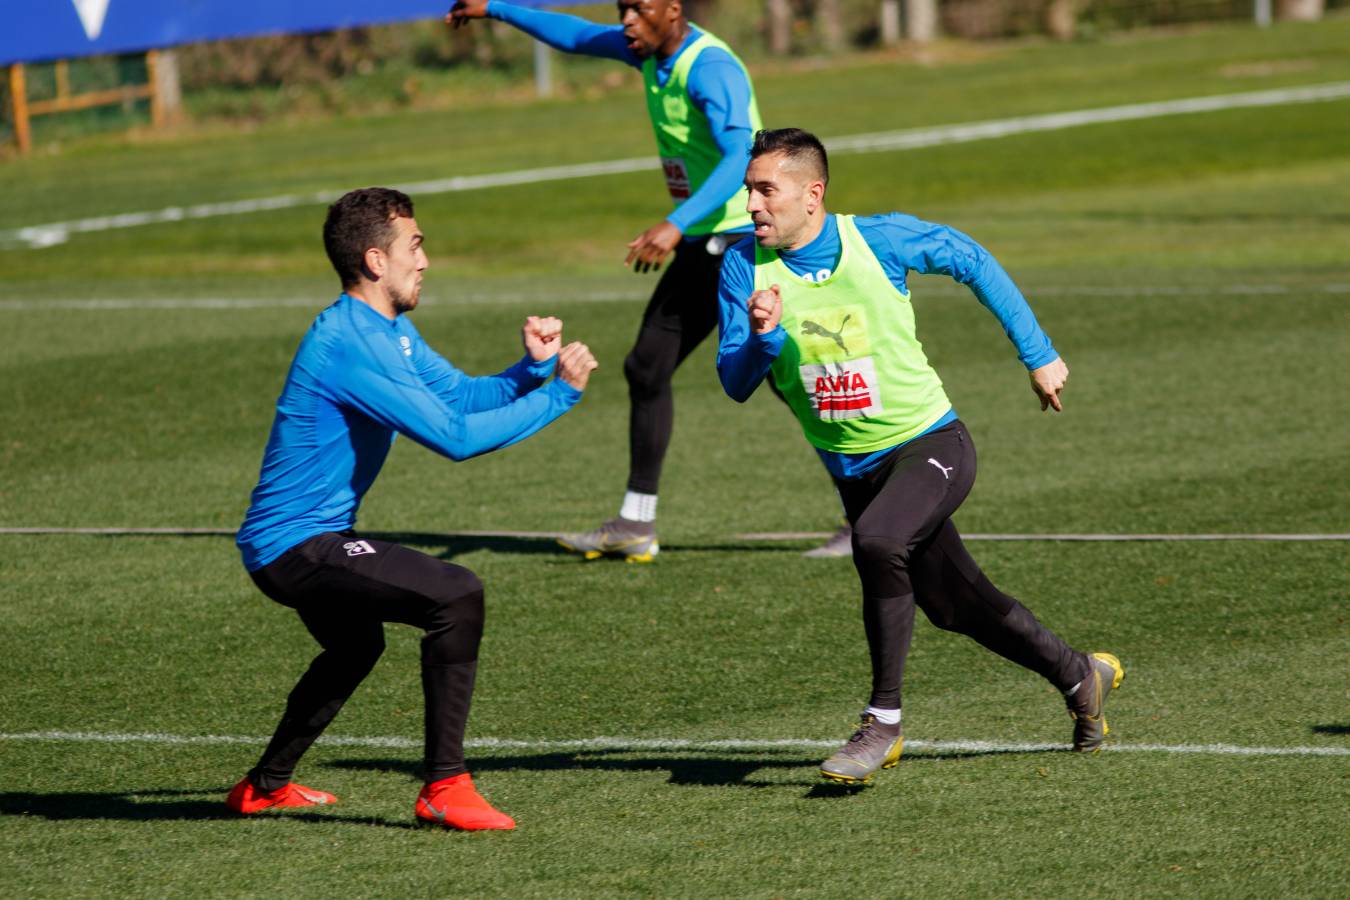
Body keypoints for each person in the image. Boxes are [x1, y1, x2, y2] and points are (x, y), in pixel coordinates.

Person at [717, 128, 1124, 784]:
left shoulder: (877, 240)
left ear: (812, 194)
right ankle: (1080, 674)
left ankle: (883, 723)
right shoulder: (742, 267)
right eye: (749, 191)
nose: (753, 205)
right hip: (854, 468)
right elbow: (733, 382)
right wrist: (763, 336)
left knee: (876, 542)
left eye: (767, 190)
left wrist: (1038, 353)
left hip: (929, 444)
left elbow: (972, 258)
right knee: (955, 604)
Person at [227, 187, 597, 829]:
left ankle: (263, 786)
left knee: (354, 647)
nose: (425, 261)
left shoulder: (387, 330)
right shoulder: (350, 343)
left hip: (304, 539)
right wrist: (560, 396)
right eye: (415, 246)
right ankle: (444, 787)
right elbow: (454, 439)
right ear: (376, 260)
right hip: (293, 547)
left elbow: (459, 396)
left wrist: (531, 370)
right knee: (455, 594)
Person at [447, 0, 851, 559]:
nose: (627, 22)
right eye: (623, 10)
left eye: (639, 9)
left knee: (780, 374)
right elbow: (577, 37)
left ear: (673, 9)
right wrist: (495, 8)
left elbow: (741, 153)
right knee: (650, 366)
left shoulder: (709, 68)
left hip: (740, 242)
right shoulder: (649, 52)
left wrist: (674, 222)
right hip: (707, 241)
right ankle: (636, 523)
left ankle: (871, 508)